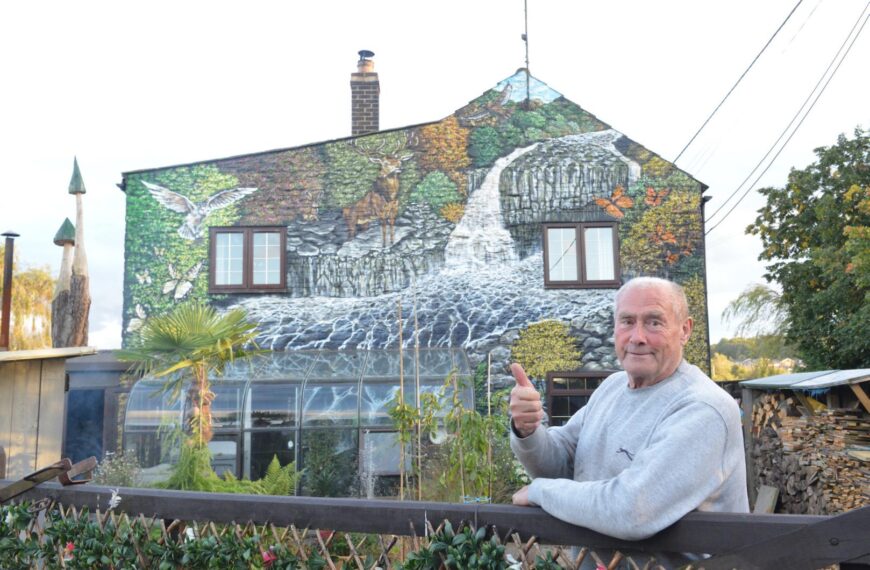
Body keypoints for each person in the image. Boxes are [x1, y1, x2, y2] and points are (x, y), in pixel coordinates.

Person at [509, 277, 749, 563]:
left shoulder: (704, 408)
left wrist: (541, 492)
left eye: (654, 322)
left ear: (685, 330)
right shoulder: (611, 388)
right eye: (627, 321)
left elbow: (632, 509)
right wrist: (527, 430)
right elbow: (559, 463)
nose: (637, 337)